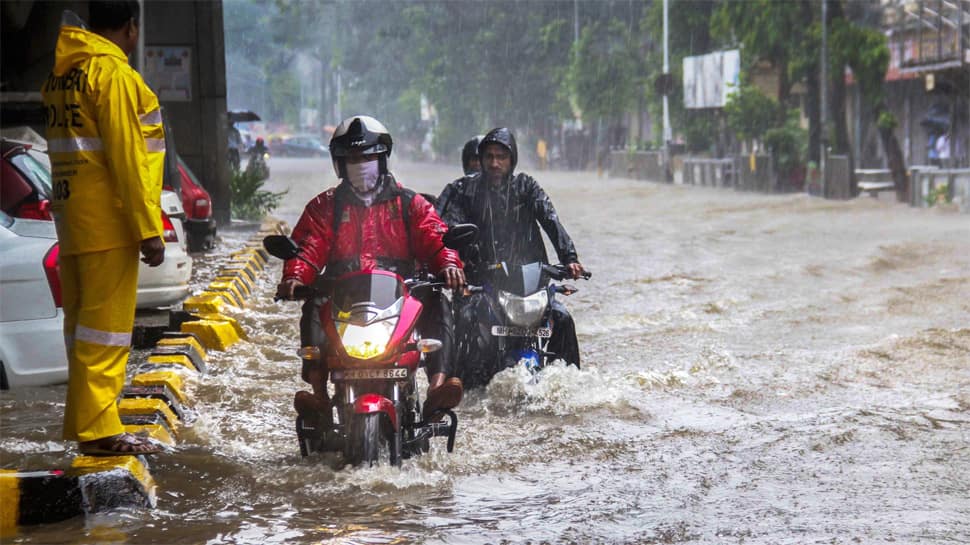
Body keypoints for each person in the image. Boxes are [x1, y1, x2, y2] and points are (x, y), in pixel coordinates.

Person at [276, 115, 465, 422]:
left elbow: (436, 239)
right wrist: (296, 276)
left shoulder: (410, 204)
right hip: (343, 298)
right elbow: (308, 247)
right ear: (340, 163)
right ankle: (320, 396)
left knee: (438, 303)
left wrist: (448, 264)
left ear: (382, 159)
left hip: (400, 296)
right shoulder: (325, 207)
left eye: (367, 158)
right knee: (313, 306)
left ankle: (436, 389)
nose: (360, 165)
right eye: (352, 159)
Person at [41, 0, 166, 456]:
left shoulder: (63, 74)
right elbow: (128, 157)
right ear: (131, 27)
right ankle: (100, 432)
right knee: (106, 334)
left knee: (81, 333)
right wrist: (146, 227)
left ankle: (87, 425)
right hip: (109, 223)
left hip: (73, 220)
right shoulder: (111, 75)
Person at [437, 127, 586, 368]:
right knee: (466, 319)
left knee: (562, 318)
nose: (495, 163)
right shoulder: (463, 190)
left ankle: (570, 379)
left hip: (529, 283)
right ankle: (458, 383)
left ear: (512, 159)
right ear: (482, 160)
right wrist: (454, 261)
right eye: (489, 157)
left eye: (501, 157)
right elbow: (443, 229)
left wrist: (569, 258)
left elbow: (550, 219)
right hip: (480, 282)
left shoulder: (526, 187)